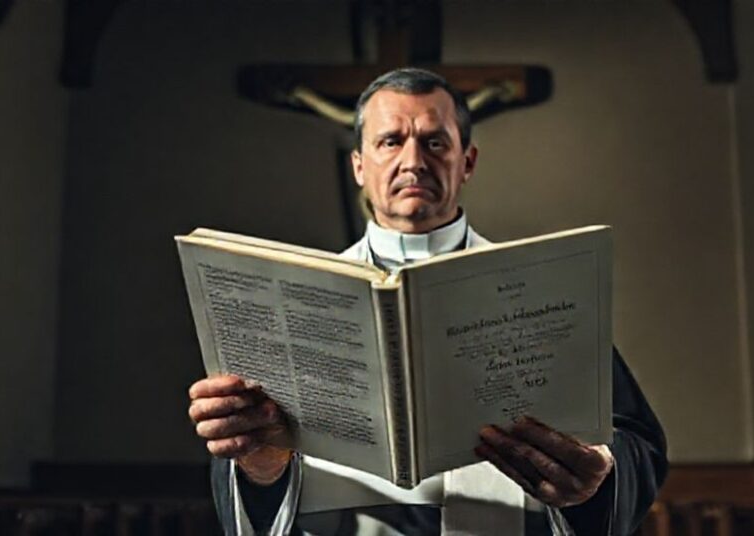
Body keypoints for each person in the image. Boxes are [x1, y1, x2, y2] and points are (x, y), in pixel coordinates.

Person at [188, 68, 667, 536]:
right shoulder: (294, 305)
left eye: (435, 141)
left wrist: (596, 480)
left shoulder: (537, 291)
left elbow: (634, 447)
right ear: (358, 164)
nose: (413, 160)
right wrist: (258, 462)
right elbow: (250, 466)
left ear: (468, 161)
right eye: (390, 141)